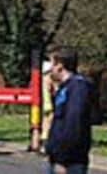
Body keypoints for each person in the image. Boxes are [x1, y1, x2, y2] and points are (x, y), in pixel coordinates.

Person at [44, 46, 95, 174]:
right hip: (60, 159)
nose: (50, 69)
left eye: (52, 64)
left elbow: (73, 123)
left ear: (60, 65)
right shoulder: (65, 88)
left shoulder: (77, 88)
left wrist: (62, 160)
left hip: (70, 162)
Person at [31, 60, 55, 153]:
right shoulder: (48, 79)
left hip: (40, 104)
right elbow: (51, 90)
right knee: (48, 124)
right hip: (48, 103)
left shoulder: (38, 80)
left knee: (43, 123)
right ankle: (45, 145)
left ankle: (41, 143)